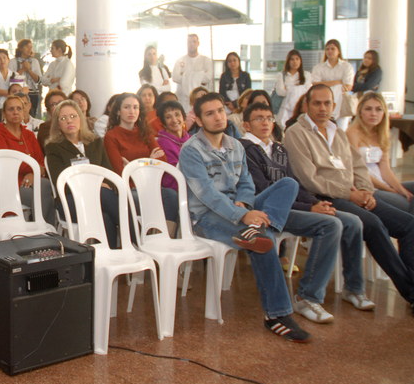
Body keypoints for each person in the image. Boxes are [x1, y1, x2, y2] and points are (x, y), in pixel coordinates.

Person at [284, 84, 414, 321]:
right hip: (325, 197)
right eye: (317, 103)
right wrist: (350, 194)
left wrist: (365, 191)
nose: (323, 108)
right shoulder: (296, 133)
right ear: (307, 105)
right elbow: (309, 179)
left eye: (327, 103)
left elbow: (359, 166)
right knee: (373, 225)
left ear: (334, 106)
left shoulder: (337, 132)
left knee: (409, 224)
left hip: (354, 194)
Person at [178, 93, 311, 342]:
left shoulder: (236, 145)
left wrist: (246, 205)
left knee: (288, 184)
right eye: (210, 113)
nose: (218, 117)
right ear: (199, 120)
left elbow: (247, 183)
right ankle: (277, 316)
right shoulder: (191, 150)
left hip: (239, 209)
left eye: (220, 110)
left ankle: (259, 229)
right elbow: (206, 194)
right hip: (207, 217)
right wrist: (242, 214)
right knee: (264, 242)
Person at [240, 102, 374, 323]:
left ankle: (354, 288)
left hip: (294, 207)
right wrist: (309, 208)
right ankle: (307, 297)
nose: (265, 123)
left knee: (353, 221)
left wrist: (317, 204)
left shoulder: (279, 149)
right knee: (331, 225)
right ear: (246, 124)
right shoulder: (245, 150)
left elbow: (296, 184)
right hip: (268, 212)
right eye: (258, 118)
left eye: (269, 118)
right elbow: (263, 191)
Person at [346, 92, 414, 238]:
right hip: (366, 185)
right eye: (368, 109)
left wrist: (401, 190)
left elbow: (385, 169)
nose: (374, 113)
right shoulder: (352, 133)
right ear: (360, 112)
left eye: (378, 109)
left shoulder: (381, 133)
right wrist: (390, 190)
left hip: (382, 183)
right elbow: (358, 171)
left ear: (384, 113)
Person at [45, 100, 121, 247]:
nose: (69, 121)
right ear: (58, 124)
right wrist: (94, 186)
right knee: (103, 194)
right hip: (71, 200)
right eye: (63, 118)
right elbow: (60, 182)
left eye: (73, 116)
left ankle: (106, 257)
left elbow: (108, 173)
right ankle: (135, 237)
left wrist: (100, 186)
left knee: (105, 217)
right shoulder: (53, 147)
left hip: (99, 198)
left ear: (80, 118)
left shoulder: (95, 142)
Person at [104, 92, 179, 228]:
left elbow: (162, 160)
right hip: (129, 189)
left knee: (172, 196)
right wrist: (149, 161)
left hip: (151, 185)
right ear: (118, 111)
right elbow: (121, 171)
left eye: (136, 107)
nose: (132, 111)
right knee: (150, 201)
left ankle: (166, 236)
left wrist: (135, 166)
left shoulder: (145, 132)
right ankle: (150, 235)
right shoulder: (111, 137)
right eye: (127, 107)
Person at [0, 95, 55, 225]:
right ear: (4, 114)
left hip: (32, 182)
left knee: (45, 187)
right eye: (11, 109)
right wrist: (33, 169)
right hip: (9, 186)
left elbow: (41, 162)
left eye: (19, 108)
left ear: (24, 112)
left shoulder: (29, 135)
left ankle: (39, 230)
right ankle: (41, 231)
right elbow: (7, 167)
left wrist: (33, 173)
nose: (15, 112)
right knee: (48, 199)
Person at [312, 39, 354, 126]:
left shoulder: (346, 66)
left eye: (333, 49)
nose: (330, 51)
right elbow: (315, 85)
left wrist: (324, 84)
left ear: (339, 51)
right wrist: (337, 82)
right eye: (327, 49)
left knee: (341, 130)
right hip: (323, 102)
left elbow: (348, 87)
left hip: (342, 104)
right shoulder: (319, 67)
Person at [171, 34, 213, 111]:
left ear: (198, 43)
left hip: (201, 99)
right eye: (189, 42)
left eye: (194, 41)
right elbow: (175, 77)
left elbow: (208, 78)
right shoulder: (180, 60)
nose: (192, 44)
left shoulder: (206, 60)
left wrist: (184, 74)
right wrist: (200, 74)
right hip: (183, 100)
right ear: (187, 44)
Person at [156, 99, 189, 190]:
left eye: (177, 114)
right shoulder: (163, 143)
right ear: (164, 123)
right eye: (168, 117)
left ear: (183, 117)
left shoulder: (191, 139)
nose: (174, 120)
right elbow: (172, 175)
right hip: (175, 188)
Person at [275, 49, 312, 126]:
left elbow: (308, 90)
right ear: (288, 61)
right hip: (285, 106)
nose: (295, 61)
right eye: (292, 59)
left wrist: (292, 90)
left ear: (300, 61)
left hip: (300, 106)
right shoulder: (282, 75)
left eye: (297, 59)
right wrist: (295, 91)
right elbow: (280, 91)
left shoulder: (306, 74)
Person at [8, 39, 43, 117]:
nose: (29, 49)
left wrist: (29, 70)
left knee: (31, 115)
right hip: (18, 93)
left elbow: (39, 80)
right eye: (27, 47)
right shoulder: (13, 62)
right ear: (21, 48)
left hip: (32, 93)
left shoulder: (34, 61)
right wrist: (23, 69)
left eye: (31, 47)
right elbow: (11, 79)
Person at [0, 48, 21, 122]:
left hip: (12, 111)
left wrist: (17, 93)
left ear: (8, 59)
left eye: (4, 58)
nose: (2, 60)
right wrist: (14, 93)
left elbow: (25, 89)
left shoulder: (15, 74)